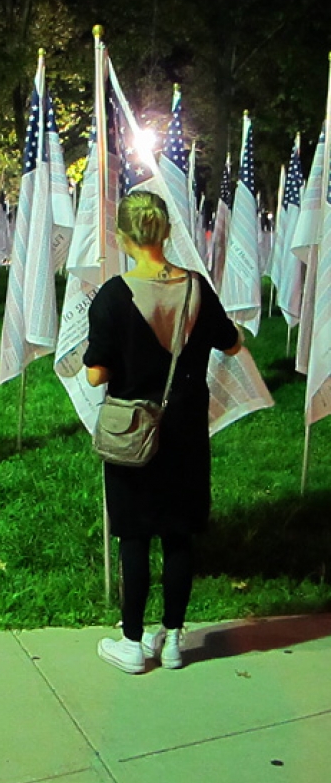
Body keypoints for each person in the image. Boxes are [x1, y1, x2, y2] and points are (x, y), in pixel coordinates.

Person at [84, 191, 242, 674]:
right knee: (179, 536)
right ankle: (173, 639)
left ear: (123, 237)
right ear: (167, 231)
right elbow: (232, 345)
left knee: (134, 536)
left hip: (134, 432)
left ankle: (132, 642)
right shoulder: (196, 288)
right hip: (186, 431)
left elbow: (96, 374)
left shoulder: (113, 295)